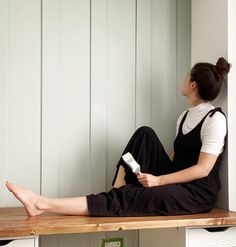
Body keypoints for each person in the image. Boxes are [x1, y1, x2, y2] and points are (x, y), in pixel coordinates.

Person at [6, 57, 231, 217]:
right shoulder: (183, 117)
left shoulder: (215, 120)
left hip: (196, 193)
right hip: (176, 181)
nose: (183, 79)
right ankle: (119, 185)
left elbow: (203, 169)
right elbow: (174, 160)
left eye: (186, 76)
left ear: (192, 84)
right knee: (145, 134)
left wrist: (158, 181)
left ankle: (42, 204)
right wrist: (150, 176)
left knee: (132, 196)